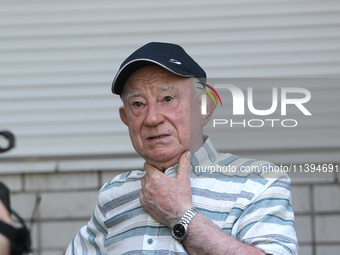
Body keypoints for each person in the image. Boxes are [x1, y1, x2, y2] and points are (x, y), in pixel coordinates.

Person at [66, 42, 298, 254]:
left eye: (167, 99)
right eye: (138, 104)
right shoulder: (114, 194)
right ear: (125, 117)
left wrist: (181, 216)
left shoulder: (257, 181)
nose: (152, 118)